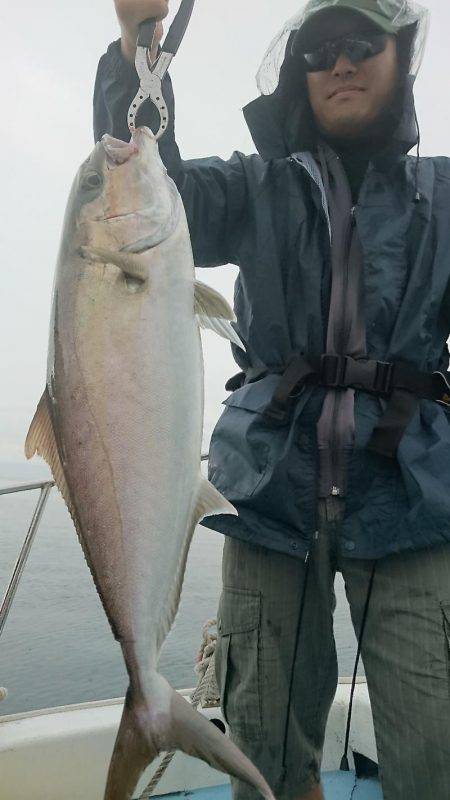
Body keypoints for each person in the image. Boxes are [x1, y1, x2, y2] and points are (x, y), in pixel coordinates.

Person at [94, 1, 450, 798]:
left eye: (362, 43)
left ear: (400, 58)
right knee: (265, 753)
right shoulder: (253, 187)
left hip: (414, 502)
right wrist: (135, 50)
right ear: (299, 70)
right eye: (322, 49)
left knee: (435, 755)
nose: (342, 63)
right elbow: (146, 186)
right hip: (266, 495)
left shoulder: (445, 194)